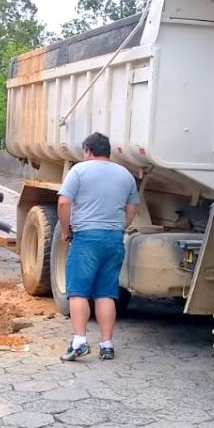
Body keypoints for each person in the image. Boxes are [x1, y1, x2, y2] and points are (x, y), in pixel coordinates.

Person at [57, 132, 138, 362]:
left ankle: (80, 341)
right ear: (108, 151)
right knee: (106, 292)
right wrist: (120, 226)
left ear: (88, 151)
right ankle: (107, 344)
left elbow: (64, 202)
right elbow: (132, 207)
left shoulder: (79, 171)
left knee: (78, 291)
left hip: (86, 239)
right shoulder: (125, 175)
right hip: (113, 239)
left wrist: (65, 230)